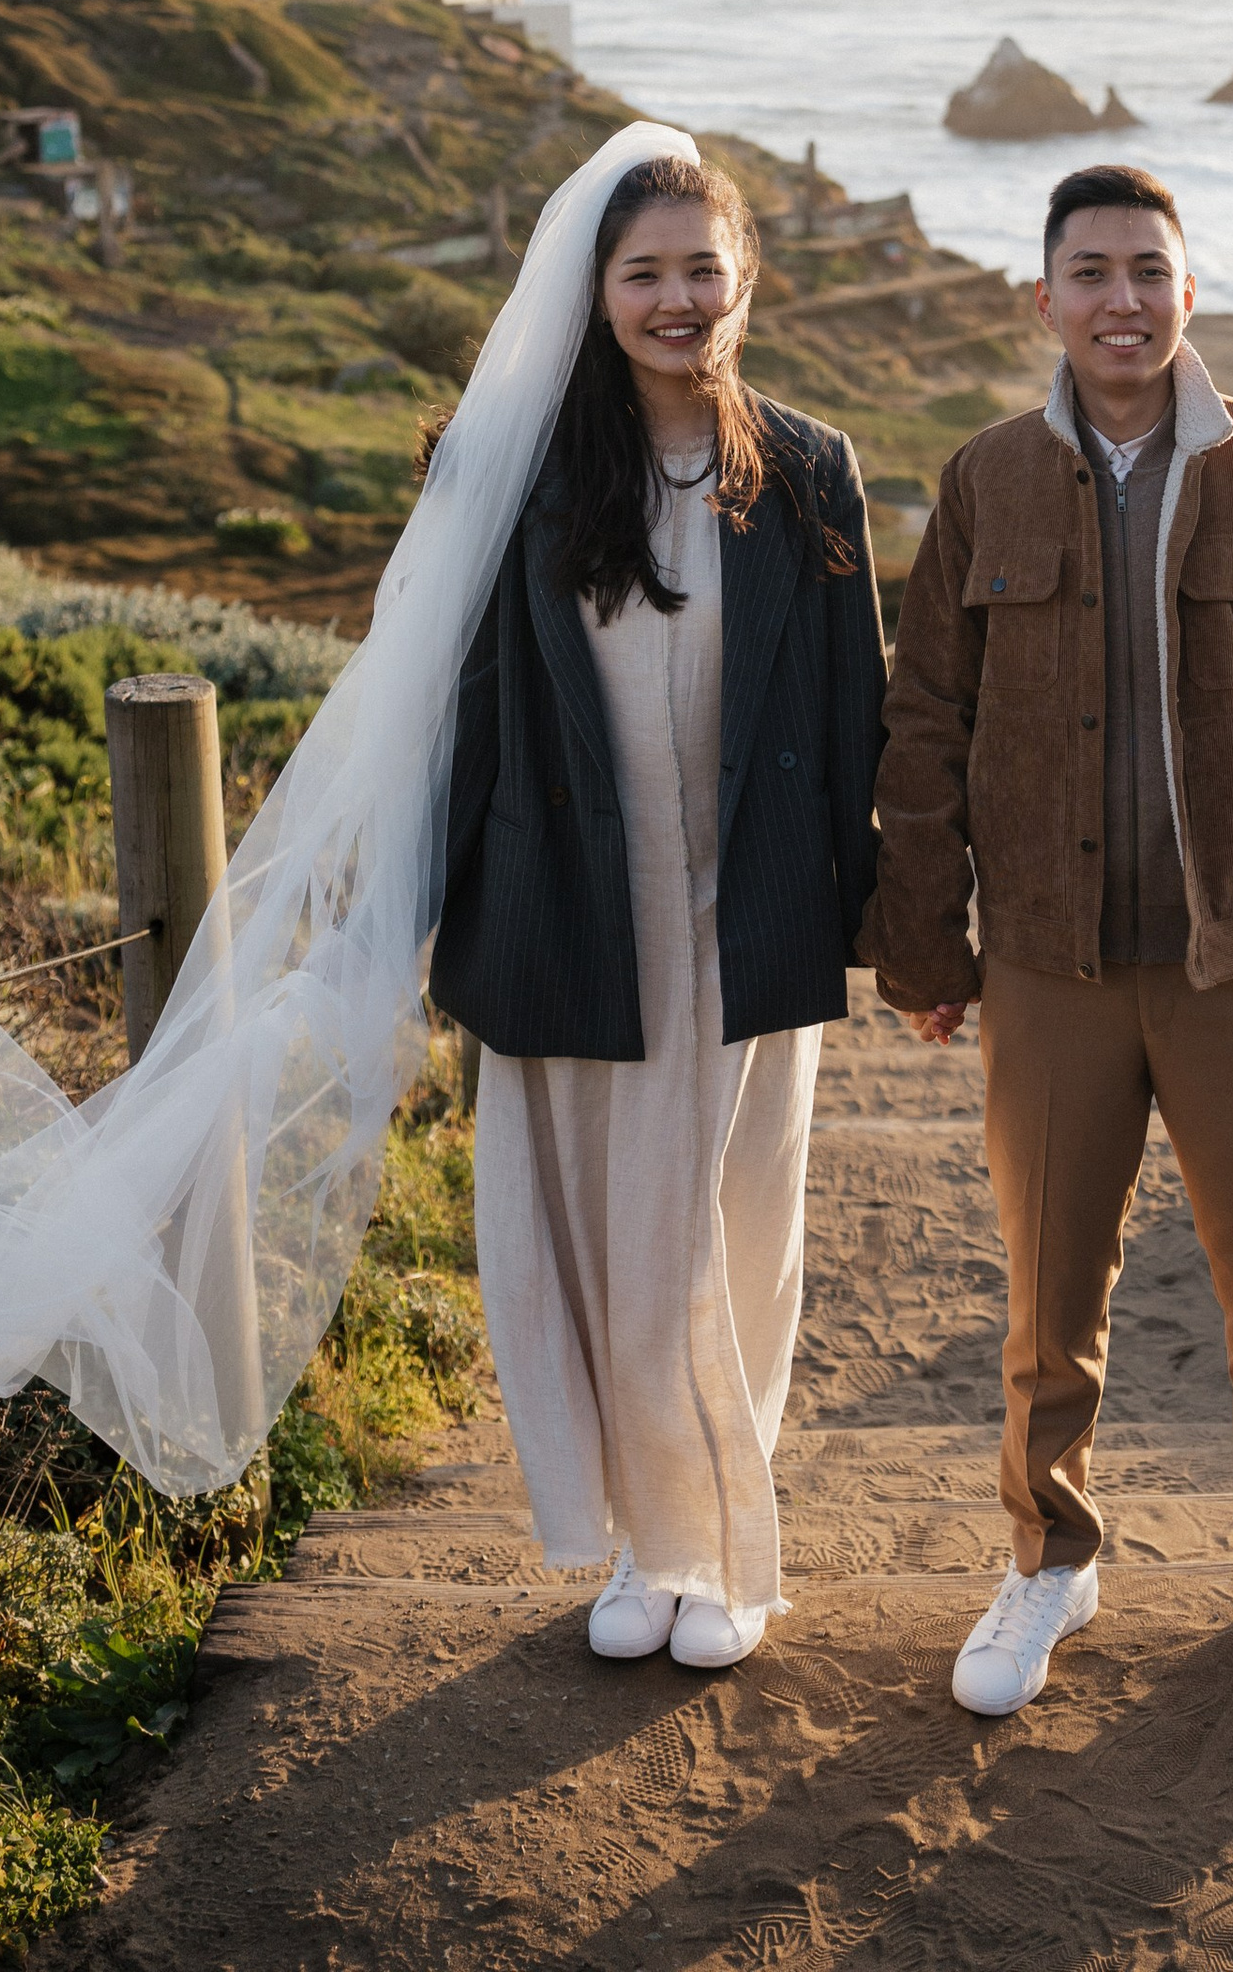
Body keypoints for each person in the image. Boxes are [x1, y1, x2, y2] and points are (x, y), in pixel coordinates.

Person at [866, 162, 1233, 1731]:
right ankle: (1052, 1557)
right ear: (1044, 301)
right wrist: (926, 948)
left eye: (1147, 270)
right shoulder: (983, 482)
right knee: (1047, 1295)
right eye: (1089, 272)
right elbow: (924, 718)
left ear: (1191, 289)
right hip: (1048, 964)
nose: (1121, 298)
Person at [429, 148, 887, 1668]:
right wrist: (440, 920)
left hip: (745, 913)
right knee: (594, 1237)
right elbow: (464, 711)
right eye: (647, 275)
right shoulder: (520, 477)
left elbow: (853, 715)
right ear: (597, 292)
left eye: (704, 269)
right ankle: (640, 1543)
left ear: (744, 278)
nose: (679, 300)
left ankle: (724, 1560)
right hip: (570, 909)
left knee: (734, 1236)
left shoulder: (810, 468)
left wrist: (888, 928)